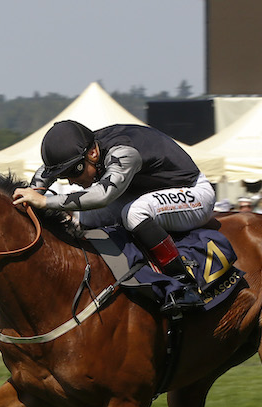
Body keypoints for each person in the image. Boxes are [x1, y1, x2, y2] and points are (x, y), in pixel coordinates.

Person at [11, 120, 215, 315]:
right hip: (149, 193)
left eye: (73, 172)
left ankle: (184, 285)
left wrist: (45, 202)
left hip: (194, 192)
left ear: (92, 153)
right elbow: (47, 172)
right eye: (65, 175)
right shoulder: (88, 147)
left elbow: (102, 195)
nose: (71, 181)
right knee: (87, 218)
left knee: (134, 214)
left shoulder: (124, 153)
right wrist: (31, 192)